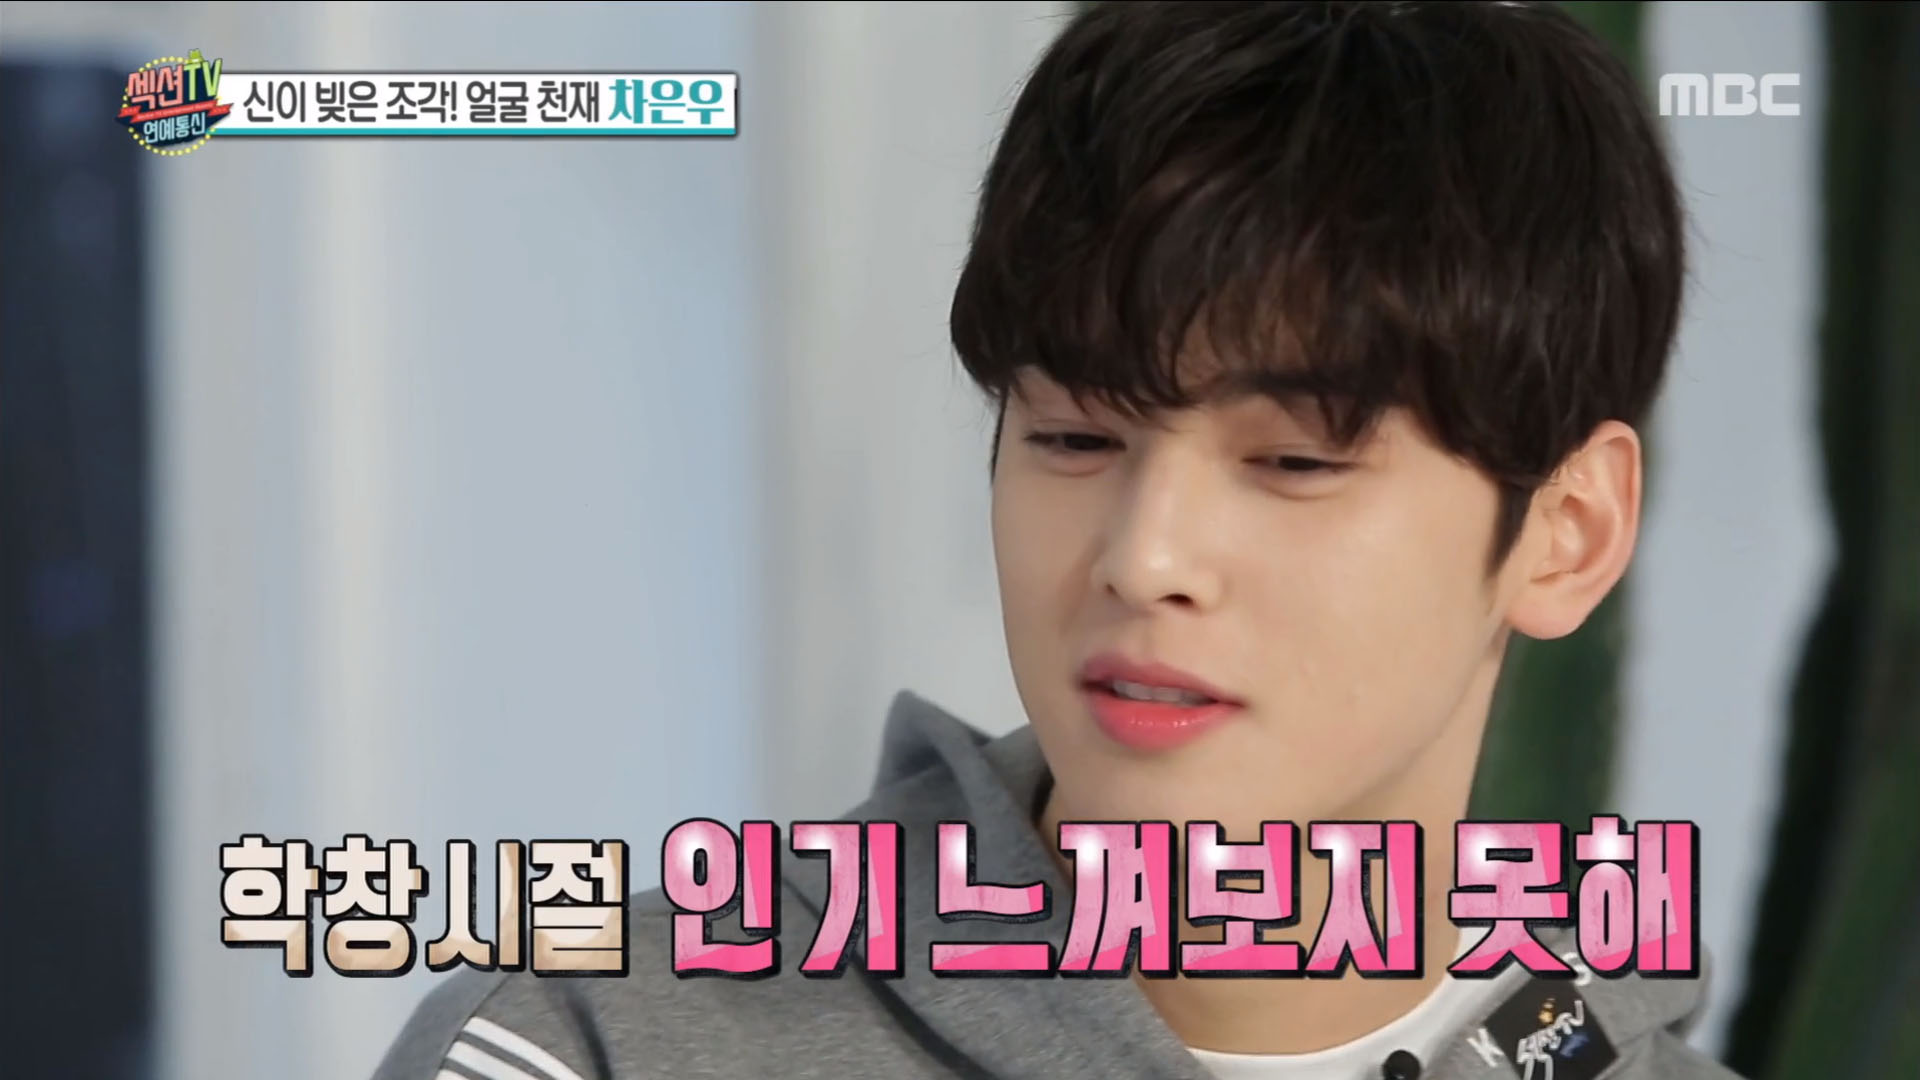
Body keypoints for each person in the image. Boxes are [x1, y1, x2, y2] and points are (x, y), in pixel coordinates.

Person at [376, 3, 1743, 1077]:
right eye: (1075, 439)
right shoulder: (593, 1043)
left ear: (1566, 536)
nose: (1144, 557)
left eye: (1293, 461)